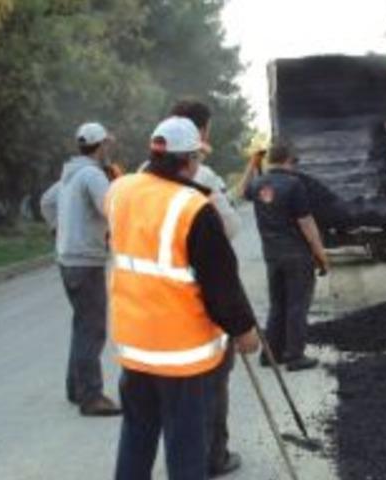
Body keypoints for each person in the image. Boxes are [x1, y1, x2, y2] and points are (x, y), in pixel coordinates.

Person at [107, 116, 260, 479]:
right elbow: (220, 283)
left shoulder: (120, 190)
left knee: (137, 433)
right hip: (182, 354)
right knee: (186, 443)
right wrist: (244, 330)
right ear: (190, 159)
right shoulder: (193, 207)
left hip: (135, 345)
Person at [166, 99, 243, 477]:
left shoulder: (137, 179)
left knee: (172, 391)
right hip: (198, 296)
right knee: (213, 378)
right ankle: (213, 455)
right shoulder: (205, 178)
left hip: (153, 304)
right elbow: (229, 229)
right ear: (201, 133)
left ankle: (183, 457)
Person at [40, 122, 121, 416]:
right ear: (101, 146)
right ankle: (91, 397)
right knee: (93, 328)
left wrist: (59, 231)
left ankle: (76, 388)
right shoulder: (91, 174)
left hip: (67, 259)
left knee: (81, 324)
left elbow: (46, 202)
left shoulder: (69, 174)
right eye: (108, 145)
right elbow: (111, 208)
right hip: (86, 260)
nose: (109, 150)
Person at [239, 143, 329, 372]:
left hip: (272, 255)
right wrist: (320, 254)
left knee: (278, 304)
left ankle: (271, 354)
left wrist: (252, 164)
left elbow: (241, 191)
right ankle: (294, 356)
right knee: (297, 304)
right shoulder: (293, 184)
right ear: (289, 160)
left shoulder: (259, 184)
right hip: (297, 255)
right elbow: (306, 222)